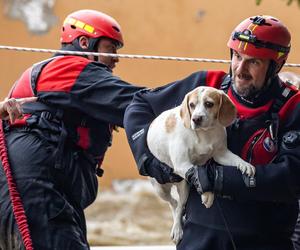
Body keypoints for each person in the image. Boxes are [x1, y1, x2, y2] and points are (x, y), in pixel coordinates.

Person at [124, 15, 300, 250]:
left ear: (276, 66)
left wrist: (219, 178)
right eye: (237, 57)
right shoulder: (206, 86)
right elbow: (140, 104)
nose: (240, 69)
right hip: (198, 237)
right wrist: (146, 158)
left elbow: (292, 178)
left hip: (266, 240)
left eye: (254, 62)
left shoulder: (293, 106)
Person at [0, 9, 144, 250]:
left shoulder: (70, 83)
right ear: (85, 43)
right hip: (38, 190)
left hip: (49, 191)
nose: (116, 58)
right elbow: (135, 102)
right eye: (111, 49)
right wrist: (200, 95)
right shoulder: (68, 70)